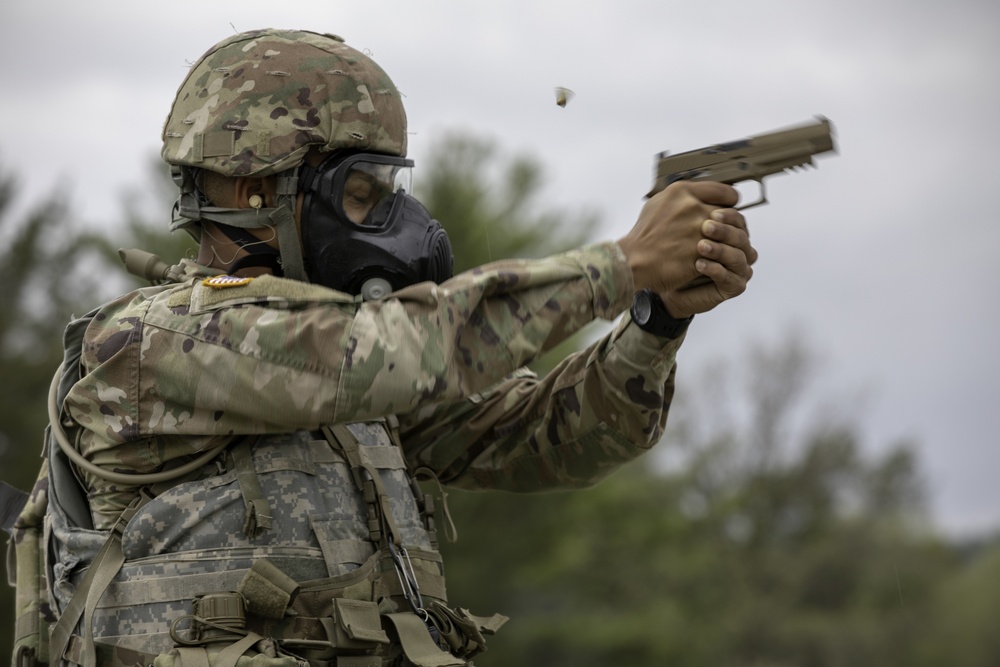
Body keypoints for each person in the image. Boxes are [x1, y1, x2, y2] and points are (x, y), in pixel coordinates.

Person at [10, 28, 755, 667]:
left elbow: (548, 437)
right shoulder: (153, 344)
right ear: (253, 193)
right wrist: (620, 266)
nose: (386, 222)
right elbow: (400, 350)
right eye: (360, 196)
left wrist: (655, 321)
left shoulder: (353, 378)